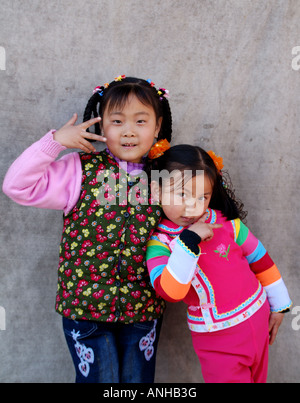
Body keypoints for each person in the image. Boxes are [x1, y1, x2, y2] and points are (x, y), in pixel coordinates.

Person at [2, 76, 172, 383]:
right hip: (86, 310)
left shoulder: (167, 177)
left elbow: (203, 213)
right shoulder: (78, 170)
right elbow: (16, 186)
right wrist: (55, 142)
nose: (129, 130)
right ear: (101, 124)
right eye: (117, 120)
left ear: (158, 127)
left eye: (141, 121)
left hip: (143, 311)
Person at [146, 144, 292, 383]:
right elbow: (170, 292)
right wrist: (189, 239)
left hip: (259, 317)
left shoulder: (225, 223)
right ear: (156, 189)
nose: (192, 206)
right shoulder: (159, 244)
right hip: (218, 339)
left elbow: (260, 258)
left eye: (202, 197)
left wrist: (279, 304)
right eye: (181, 194)